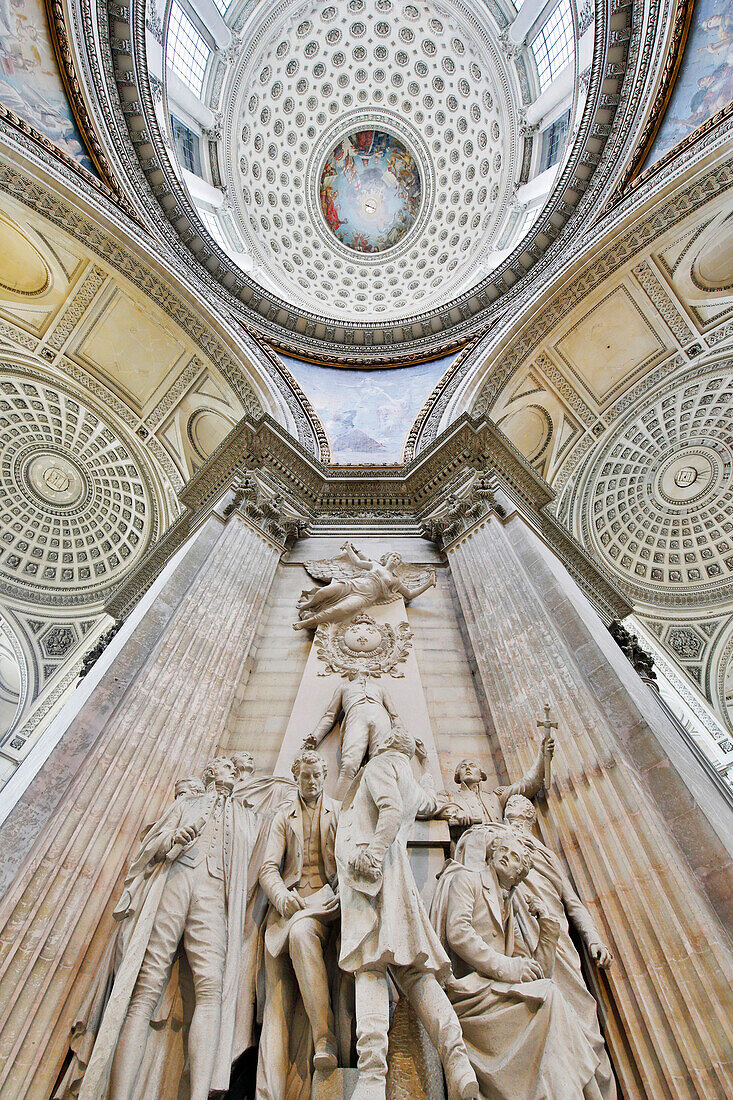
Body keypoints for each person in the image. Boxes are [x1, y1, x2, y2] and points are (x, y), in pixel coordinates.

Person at [78, 756, 261, 1100]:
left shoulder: (247, 817)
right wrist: (172, 838)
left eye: (236, 770)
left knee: (212, 990)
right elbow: (149, 846)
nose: (233, 772)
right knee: (146, 987)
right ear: (210, 773)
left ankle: (198, 1096)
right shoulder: (187, 803)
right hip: (176, 881)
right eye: (226, 767)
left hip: (214, 895)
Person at [335, 727, 479, 1100]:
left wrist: (373, 853)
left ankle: (370, 1078)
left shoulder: (381, 765)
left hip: (371, 879)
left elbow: (391, 809)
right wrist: (426, 761)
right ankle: (457, 1061)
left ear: (381, 745)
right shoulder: (409, 776)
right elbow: (428, 800)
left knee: (369, 971)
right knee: (416, 973)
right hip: (398, 881)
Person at [431, 832, 604, 1100]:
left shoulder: (512, 905)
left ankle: (563, 1092)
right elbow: (458, 933)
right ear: (493, 853)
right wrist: (509, 968)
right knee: (552, 1000)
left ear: (520, 876)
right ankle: (579, 1094)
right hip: (469, 993)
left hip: (497, 992)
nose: (506, 856)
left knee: (552, 999)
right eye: (504, 850)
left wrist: (547, 925)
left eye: (514, 858)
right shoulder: (468, 880)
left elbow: (537, 973)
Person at [502, 795, 616, 1100]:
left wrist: (593, 937)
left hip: (558, 932)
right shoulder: (494, 838)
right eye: (510, 806)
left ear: (530, 816)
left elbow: (572, 902)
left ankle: (595, 1088)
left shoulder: (548, 854)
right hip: (520, 927)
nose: (515, 808)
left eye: (521, 806)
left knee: (581, 1008)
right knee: (538, 1008)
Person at [256, 750, 341, 1100]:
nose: (311, 782)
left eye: (317, 776)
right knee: (276, 1004)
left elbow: (347, 862)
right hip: (288, 909)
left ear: (324, 776)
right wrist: (281, 897)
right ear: (297, 776)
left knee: (303, 932)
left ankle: (326, 1038)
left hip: (326, 905)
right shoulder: (282, 816)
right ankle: (270, 1089)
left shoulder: (338, 811)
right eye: (305, 776)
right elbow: (268, 869)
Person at [294, 542, 436, 631]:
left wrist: (428, 584)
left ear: (399, 564)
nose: (395, 558)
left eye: (398, 558)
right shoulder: (375, 565)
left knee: (340, 609)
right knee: (325, 592)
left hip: (363, 597)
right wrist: (349, 548)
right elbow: (356, 561)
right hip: (352, 585)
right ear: (387, 558)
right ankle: (308, 605)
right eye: (393, 556)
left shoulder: (395, 581)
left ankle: (309, 622)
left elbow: (410, 594)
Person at [304, 677, 403, 799]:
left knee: (381, 766)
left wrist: (403, 735)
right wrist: (315, 736)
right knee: (349, 764)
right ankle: (339, 812)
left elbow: (394, 715)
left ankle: (386, 813)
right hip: (356, 716)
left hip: (381, 717)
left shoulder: (380, 688)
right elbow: (330, 715)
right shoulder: (344, 687)